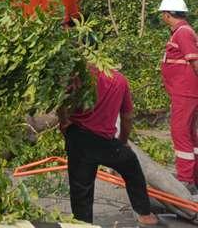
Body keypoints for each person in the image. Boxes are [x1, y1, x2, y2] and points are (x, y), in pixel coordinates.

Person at [58, 66, 159, 225]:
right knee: (132, 167)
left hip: (78, 137)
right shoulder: (120, 80)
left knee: (80, 188)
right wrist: (123, 142)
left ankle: (83, 223)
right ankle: (144, 213)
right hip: (105, 141)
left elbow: (62, 101)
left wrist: (64, 125)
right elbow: (127, 117)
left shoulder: (79, 74)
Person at [158, 0, 198, 192]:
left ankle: (186, 179)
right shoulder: (182, 32)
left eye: (162, 15)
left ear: (167, 15)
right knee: (189, 133)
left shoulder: (183, 32)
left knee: (180, 132)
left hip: (185, 92)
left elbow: (195, 61)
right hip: (183, 91)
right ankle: (193, 176)